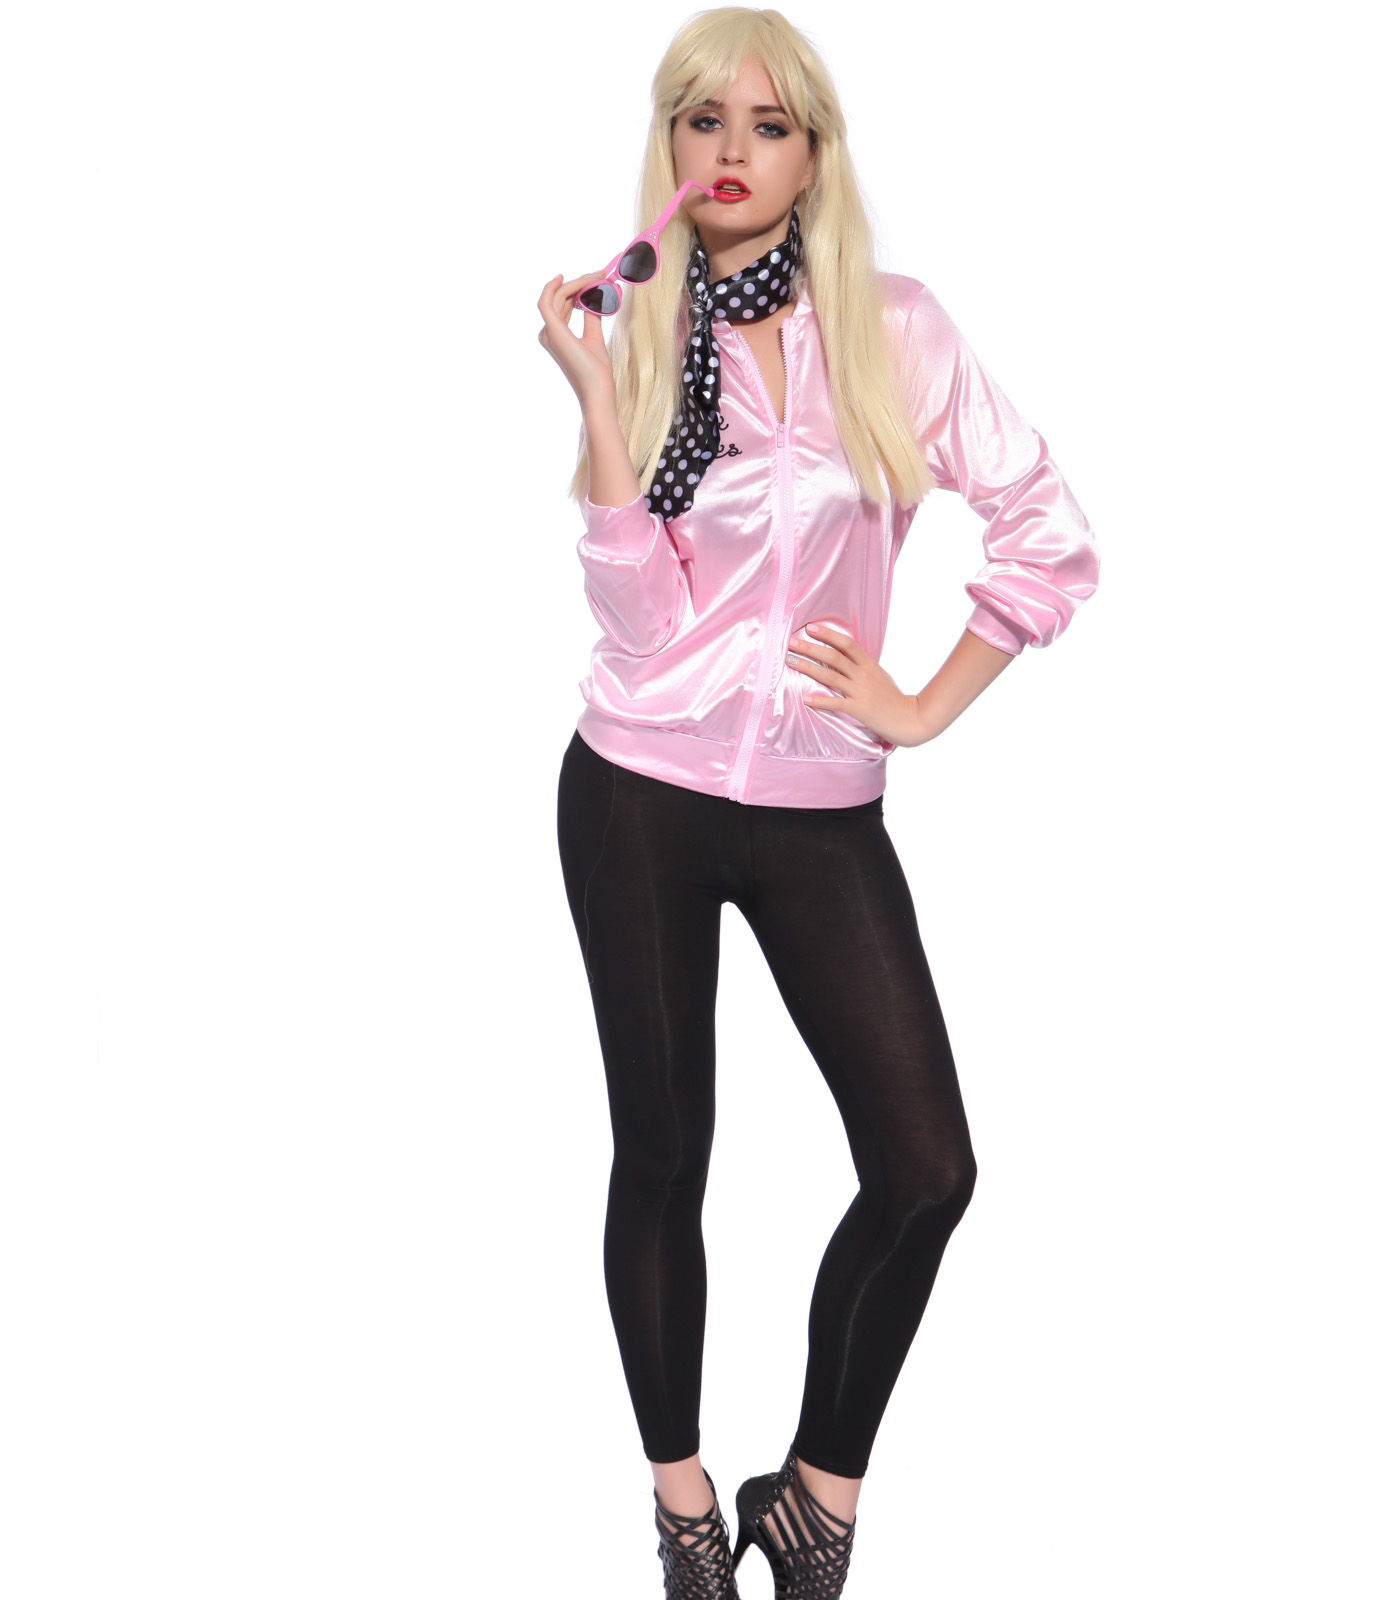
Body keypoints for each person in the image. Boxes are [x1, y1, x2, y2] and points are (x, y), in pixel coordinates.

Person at [537, 8, 1100, 1596]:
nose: (731, 151)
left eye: (767, 125)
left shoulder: (895, 334)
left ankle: (821, 1489)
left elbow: (1049, 535)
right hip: (637, 789)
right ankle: (682, 1506)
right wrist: (598, 405)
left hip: (817, 805)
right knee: (664, 1153)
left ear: (813, 157)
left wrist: (920, 707)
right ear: (668, 144)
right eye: (701, 120)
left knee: (927, 1170)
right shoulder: (639, 331)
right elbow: (640, 622)